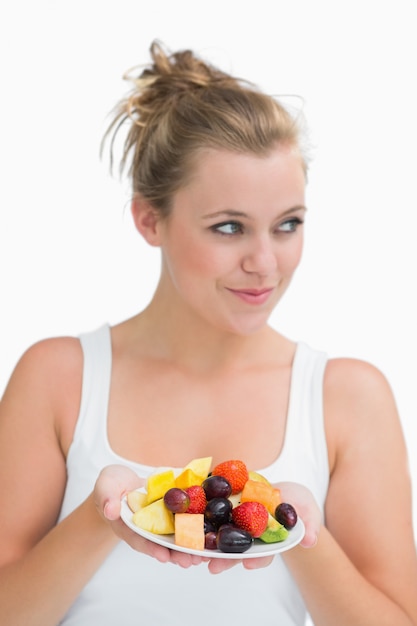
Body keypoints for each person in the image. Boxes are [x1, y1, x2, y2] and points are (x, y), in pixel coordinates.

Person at [0, 40, 416, 626]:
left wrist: (295, 529)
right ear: (150, 220)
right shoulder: (58, 377)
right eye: (228, 228)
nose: (265, 263)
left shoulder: (347, 397)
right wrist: (103, 518)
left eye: (287, 225)